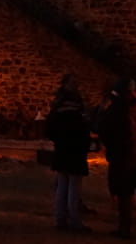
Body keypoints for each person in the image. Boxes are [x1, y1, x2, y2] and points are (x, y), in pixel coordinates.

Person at [98, 77, 136, 239]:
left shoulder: (115, 111)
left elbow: (103, 131)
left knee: (125, 198)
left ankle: (125, 229)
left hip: (123, 159)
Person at [45, 74, 92, 232]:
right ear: (66, 84)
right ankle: (72, 220)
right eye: (73, 83)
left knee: (64, 184)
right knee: (71, 186)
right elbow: (82, 126)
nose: (76, 85)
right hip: (73, 149)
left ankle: (61, 218)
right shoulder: (74, 107)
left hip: (64, 149)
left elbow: (50, 129)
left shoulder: (57, 107)